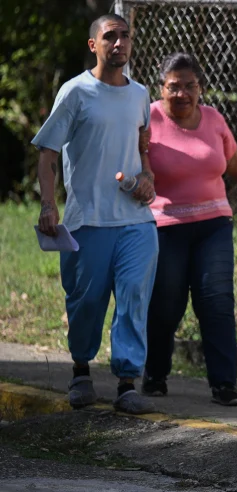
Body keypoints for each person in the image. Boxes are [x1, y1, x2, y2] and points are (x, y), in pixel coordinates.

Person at [32, 14, 158, 414]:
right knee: (86, 301)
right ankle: (81, 370)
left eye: (125, 36)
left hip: (136, 220)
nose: (119, 43)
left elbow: (143, 147)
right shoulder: (75, 92)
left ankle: (126, 382)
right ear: (94, 45)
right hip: (88, 220)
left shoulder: (140, 94)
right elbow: (47, 155)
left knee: (134, 297)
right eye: (110, 37)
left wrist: (147, 178)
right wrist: (49, 204)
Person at [140, 52, 237, 406]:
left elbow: (234, 160)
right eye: (174, 86)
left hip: (214, 224)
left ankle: (224, 384)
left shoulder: (214, 119)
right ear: (161, 88)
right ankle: (155, 374)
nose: (182, 93)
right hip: (165, 226)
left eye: (190, 86)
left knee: (216, 302)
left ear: (200, 88)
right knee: (166, 304)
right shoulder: (147, 118)